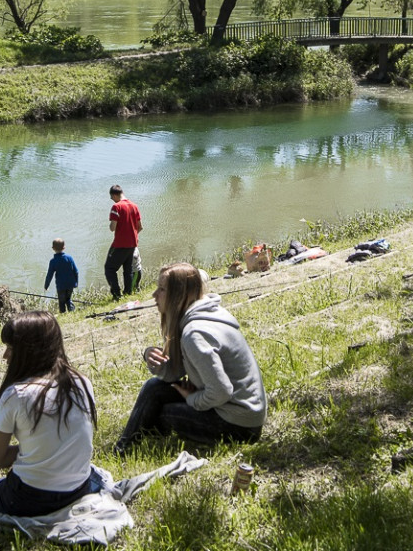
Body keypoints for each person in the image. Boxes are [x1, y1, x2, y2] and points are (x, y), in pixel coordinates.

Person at [0, 311, 100, 528]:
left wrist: (31, 451)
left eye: (11, 349)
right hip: (79, 488)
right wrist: (41, 449)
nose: (5, 355)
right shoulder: (81, 382)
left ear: (28, 352)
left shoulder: (17, 394)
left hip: (32, 498)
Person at [114, 262, 266, 454]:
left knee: (159, 414)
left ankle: (123, 451)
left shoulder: (195, 334)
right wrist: (150, 356)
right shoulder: (204, 315)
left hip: (239, 426)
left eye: (161, 289)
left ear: (179, 296)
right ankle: (124, 446)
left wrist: (192, 398)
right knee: (154, 387)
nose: (154, 295)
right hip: (239, 413)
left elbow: (221, 392)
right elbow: (174, 374)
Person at [105, 184, 142, 301]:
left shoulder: (116, 207)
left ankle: (116, 295)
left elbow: (112, 228)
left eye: (112, 197)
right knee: (128, 270)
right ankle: (128, 292)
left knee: (109, 269)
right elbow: (140, 227)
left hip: (119, 244)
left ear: (115, 195)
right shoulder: (134, 206)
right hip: (132, 244)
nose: (112, 200)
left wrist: (111, 223)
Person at [44, 238, 80, 313]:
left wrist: (46, 285)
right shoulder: (69, 258)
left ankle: (63, 313)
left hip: (61, 286)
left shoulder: (53, 261)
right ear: (64, 247)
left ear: (53, 248)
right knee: (68, 299)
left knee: (61, 301)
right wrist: (76, 282)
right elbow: (76, 271)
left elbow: (49, 275)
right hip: (70, 284)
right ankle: (72, 311)